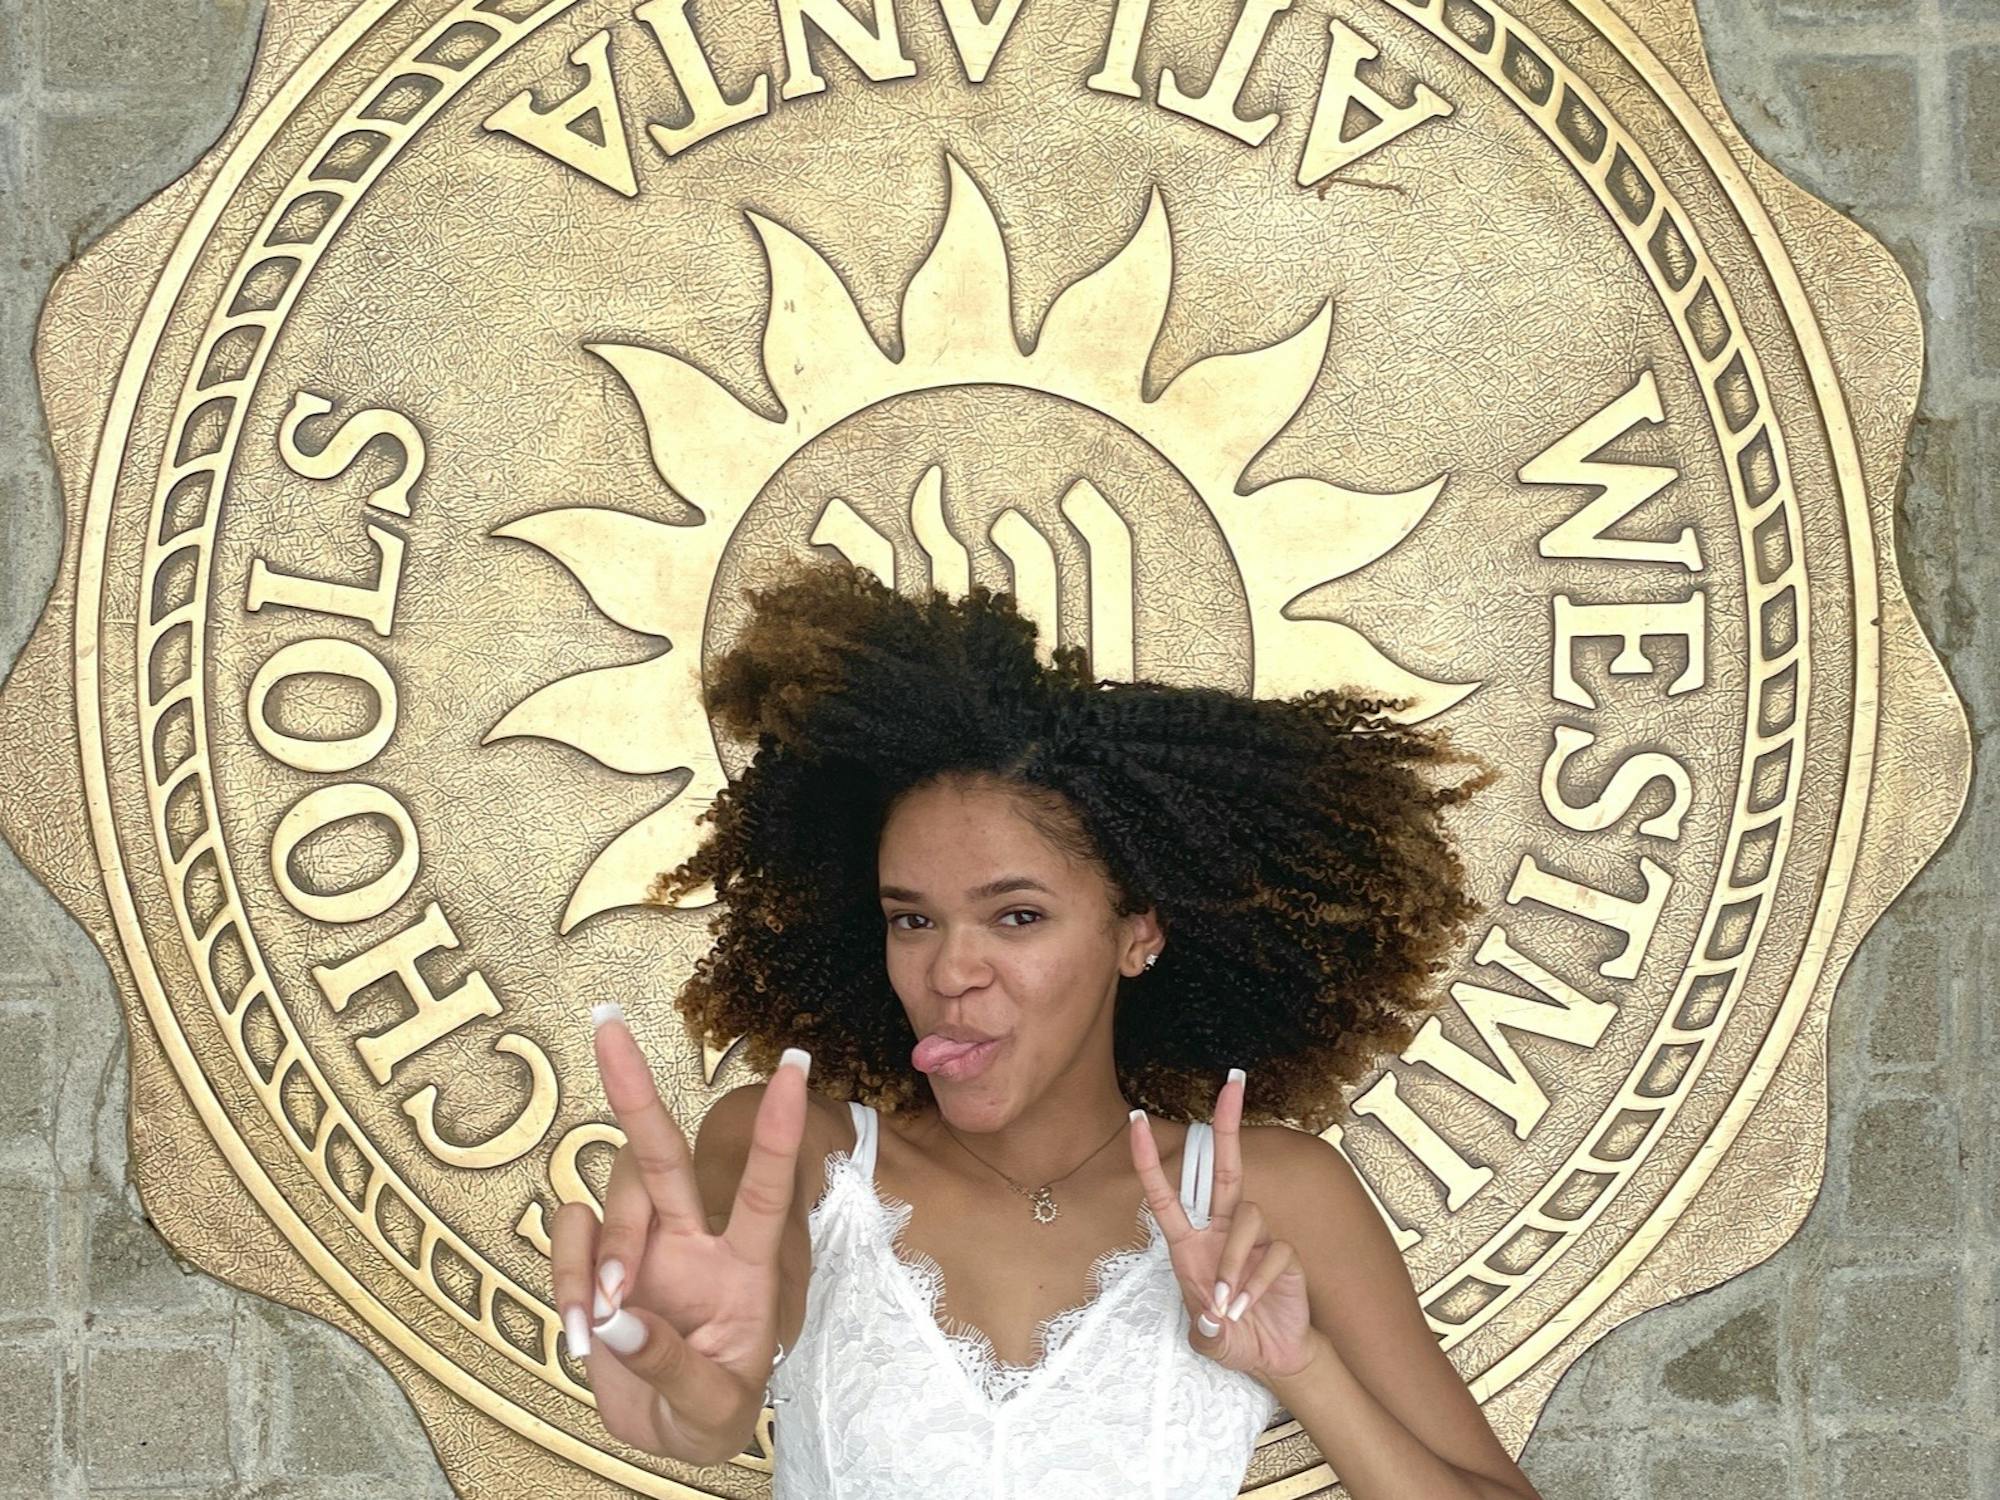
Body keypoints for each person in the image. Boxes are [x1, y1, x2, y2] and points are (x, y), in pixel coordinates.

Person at [550, 556, 1540, 1498]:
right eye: (912, 918)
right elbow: (716, 1377)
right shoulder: (793, 1150)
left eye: (1015, 916)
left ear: (1135, 934)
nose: (950, 970)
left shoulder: (1270, 1196)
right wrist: (703, 1396)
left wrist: (1302, 1369)